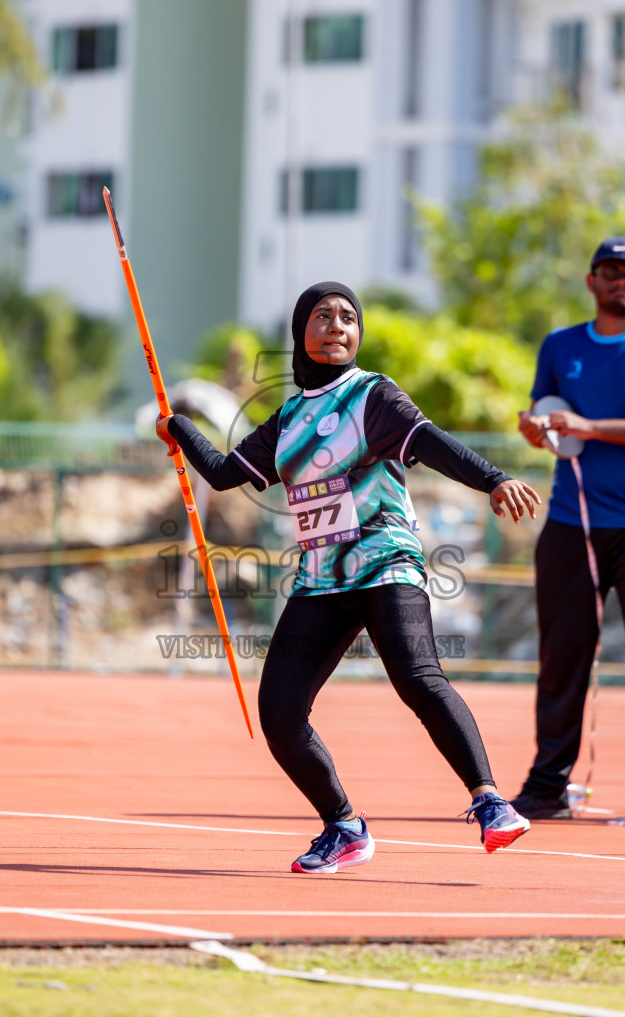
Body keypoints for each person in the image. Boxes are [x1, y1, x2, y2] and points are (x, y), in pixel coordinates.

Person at [157, 281, 540, 872]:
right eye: (322, 316)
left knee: (418, 679)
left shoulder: (373, 397)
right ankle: (344, 826)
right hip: (321, 580)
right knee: (280, 715)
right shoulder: (287, 418)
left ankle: (490, 802)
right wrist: (178, 426)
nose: (337, 326)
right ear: (299, 333)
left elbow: (434, 444)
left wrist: (494, 480)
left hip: (386, 561)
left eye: (348, 318)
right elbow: (225, 472)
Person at [511, 237, 625, 820]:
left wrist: (590, 427)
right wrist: (535, 430)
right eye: (609, 271)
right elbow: (543, 417)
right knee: (562, 657)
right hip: (571, 524)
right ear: (591, 281)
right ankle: (547, 788)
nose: (620, 280)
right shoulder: (559, 345)